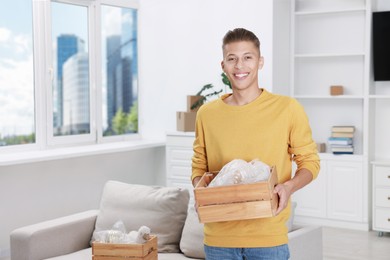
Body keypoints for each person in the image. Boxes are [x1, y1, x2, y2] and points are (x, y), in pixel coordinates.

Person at [191, 28, 320, 260]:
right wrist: (200, 189)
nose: (240, 66)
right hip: (219, 240)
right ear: (223, 66)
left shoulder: (287, 109)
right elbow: (199, 166)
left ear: (260, 62)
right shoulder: (206, 114)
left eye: (247, 57)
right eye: (232, 59)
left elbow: (310, 162)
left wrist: (288, 187)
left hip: (268, 239)